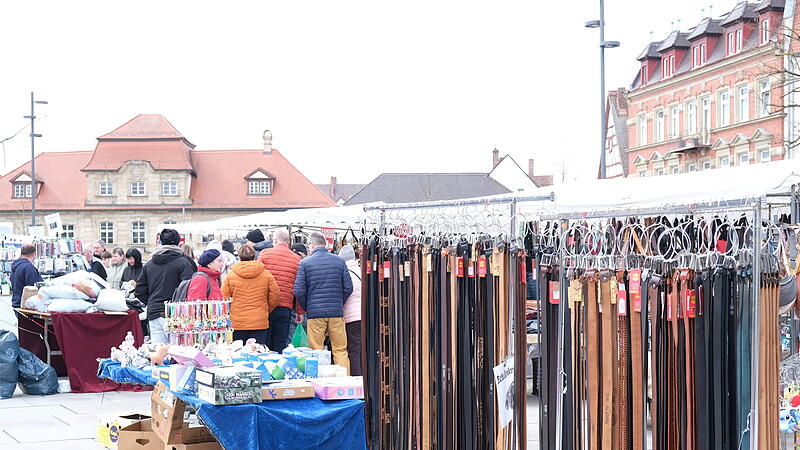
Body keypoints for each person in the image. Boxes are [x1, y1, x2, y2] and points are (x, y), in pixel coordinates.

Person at [294, 232, 352, 374]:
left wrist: (308, 307)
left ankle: (320, 380)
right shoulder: (339, 261)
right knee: (340, 349)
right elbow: (348, 287)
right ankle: (344, 380)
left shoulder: (305, 263)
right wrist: (339, 302)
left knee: (316, 351)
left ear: (312, 245)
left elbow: (299, 290)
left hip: (315, 314)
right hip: (336, 313)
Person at [135, 229, 196, 344]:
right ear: (178, 242)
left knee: (158, 350)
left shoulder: (149, 264)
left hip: (155, 312)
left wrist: (151, 301)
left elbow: (140, 291)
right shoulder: (184, 262)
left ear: (161, 242)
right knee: (176, 351)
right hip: (176, 312)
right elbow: (189, 288)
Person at [221, 244, 280, 345]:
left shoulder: (231, 275)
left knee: (238, 351)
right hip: (259, 320)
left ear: (239, 257)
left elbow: (224, 298)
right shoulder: (266, 274)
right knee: (257, 351)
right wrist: (265, 310)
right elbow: (275, 296)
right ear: (254, 256)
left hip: (237, 322)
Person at [258, 229, 302, 353]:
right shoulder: (297, 259)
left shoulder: (264, 254)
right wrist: (299, 311)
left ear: (275, 240)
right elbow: (299, 287)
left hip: (267, 304)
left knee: (266, 342)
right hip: (286, 305)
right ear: (288, 242)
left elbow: (257, 279)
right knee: (280, 342)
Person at [338, 244, 362, 376]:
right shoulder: (360, 270)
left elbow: (346, 292)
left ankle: (356, 378)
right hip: (363, 315)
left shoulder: (346, 273)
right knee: (361, 349)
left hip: (351, 317)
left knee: (353, 351)